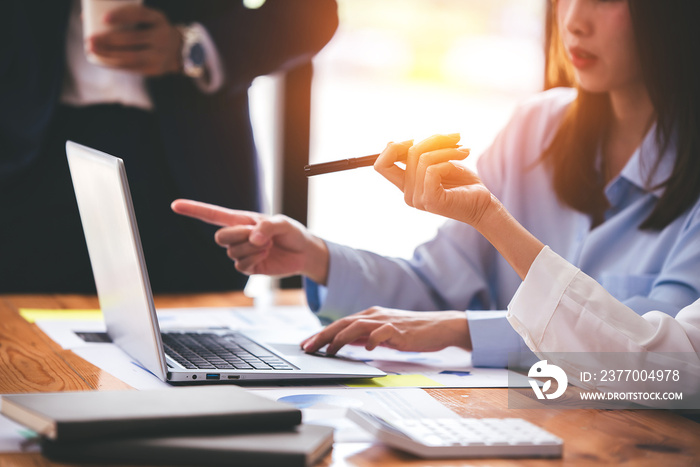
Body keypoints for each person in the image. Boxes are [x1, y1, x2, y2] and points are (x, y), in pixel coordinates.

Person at [171, 0, 700, 368]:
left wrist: (465, 329)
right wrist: (316, 257)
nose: (574, 22)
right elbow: (432, 291)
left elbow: (655, 359)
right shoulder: (536, 128)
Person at [0, 0, 338, 293]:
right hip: (26, 154)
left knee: (194, 340)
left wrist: (192, 47)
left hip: (188, 162)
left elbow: (312, 13)